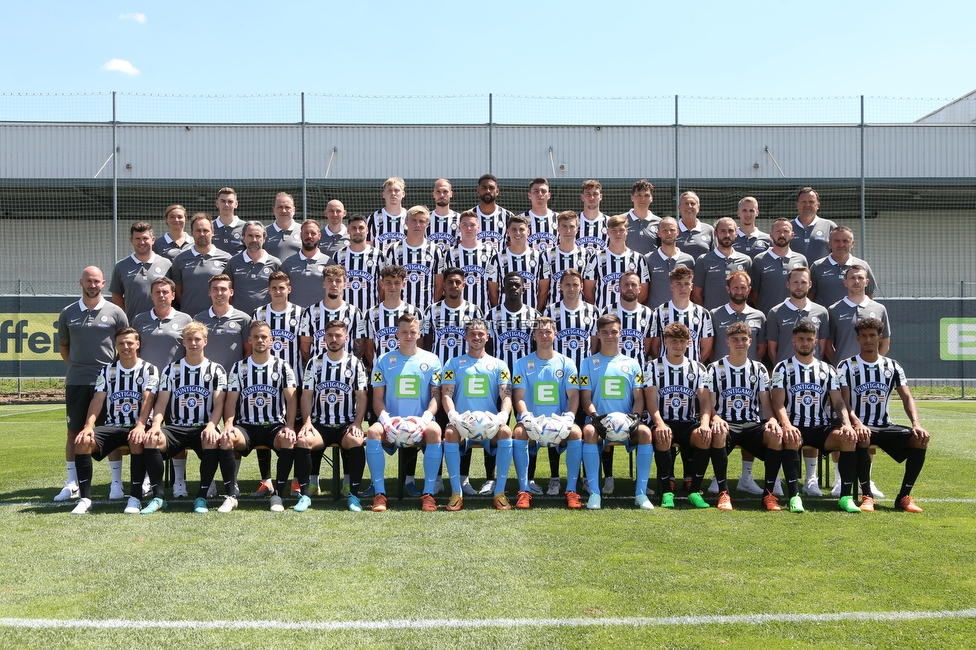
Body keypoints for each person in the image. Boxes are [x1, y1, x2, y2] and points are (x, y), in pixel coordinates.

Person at [836, 318, 929, 513]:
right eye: (863, 336)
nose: (868, 339)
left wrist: (916, 424)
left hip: (885, 425)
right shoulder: (846, 366)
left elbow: (907, 397)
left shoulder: (893, 366)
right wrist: (856, 422)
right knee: (863, 435)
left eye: (872, 335)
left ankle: (904, 496)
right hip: (860, 425)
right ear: (858, 338)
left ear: (880, 337)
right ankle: (867, 495)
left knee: (920, 439)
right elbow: (844, 401)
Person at [770, 320, 862, 513]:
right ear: (794, 341)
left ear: (816, 341)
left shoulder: (828, 370)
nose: (805, 343)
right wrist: (786, 425)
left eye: (809, 339)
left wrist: (846, 424)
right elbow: (777, 402)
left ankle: (845, 496)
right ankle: (794, 496)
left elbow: (838, 402)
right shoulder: (782, 368)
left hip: (821, 427)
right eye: (801, 339)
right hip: (795, 425)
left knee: (848, 438)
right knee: (791, 438)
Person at [141, 321, 233, 515]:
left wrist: (211, 426)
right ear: (183, 342)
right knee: (151, 441)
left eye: (197, 339)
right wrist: (156, 425)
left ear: (205, 341)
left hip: (203, 426)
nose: (193, 343)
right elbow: (161, 403)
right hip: (176, 427)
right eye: (189, 339)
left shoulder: (217, 370)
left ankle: (201, 496)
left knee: (211, 440)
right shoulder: (170, 370)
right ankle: (158, 498)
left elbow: (219, 405)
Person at [55, 266, 129, 502]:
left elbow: (124, 347)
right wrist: (78, 368)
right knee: (74, 431)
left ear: (104, 283)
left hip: (108, 384)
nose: (92, 285)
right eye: (88, 281)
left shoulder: (116, 312)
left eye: (96, 281)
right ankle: (72, 483)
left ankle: (116, 484)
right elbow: (64, 348)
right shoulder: (67, 312)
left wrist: (108, 374)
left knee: (110, 432)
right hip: (77, 382)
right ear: (81, 282)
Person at [69, 327, 159, 514]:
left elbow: (148, 398)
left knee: (136, 439)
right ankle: (85, 499)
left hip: (138, 425)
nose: (125, 347)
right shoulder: (107, 371)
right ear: (116, 346)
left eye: (129, 343)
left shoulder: (149, 369)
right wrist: (88, 426)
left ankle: (135, 498)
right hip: (112, 425)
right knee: (83, 441)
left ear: (137, 344)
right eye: (121, 343)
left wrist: (141, 425)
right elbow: (98, 399)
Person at [364, 313, 443, 512]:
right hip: (392, 421)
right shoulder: (383, 360)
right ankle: (380, 494)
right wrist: (386, 421)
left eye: (413, 332)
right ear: (397, 334)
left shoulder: (432, 359)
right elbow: (377, 398)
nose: (408, 336)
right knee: (373, 432)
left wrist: (425, 420)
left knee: (435, 431)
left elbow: (436, 396)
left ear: (419, 333)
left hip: (420, 422)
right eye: (404, 332)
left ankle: (428, 494)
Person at [221, 321, 300, 513]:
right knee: (226, 440)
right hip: (246, 426)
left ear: (271, 340)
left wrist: (290, 426)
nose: (260, 340)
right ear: (249, 340)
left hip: (274, 426)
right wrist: (229, 424)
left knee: (288, 440)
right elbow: (231, 401)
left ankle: (278, 495)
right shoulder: (239, 367)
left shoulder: (283, 367)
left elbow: (291, 400)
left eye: (264, 336)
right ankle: (231, 496)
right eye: (256, 336)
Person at [702, 323, 782, 510]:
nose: (740, 343)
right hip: (726, 423)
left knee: (776, 435)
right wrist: (715, 418)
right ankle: (723, 493)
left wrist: (771, 420)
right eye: (735, 339)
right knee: (719, 432)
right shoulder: (714, 368)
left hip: (751, 424)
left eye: (743, 339)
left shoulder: (759, 369)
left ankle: (769, 494)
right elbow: (709, 404)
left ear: (750, 341)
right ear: (727, 342)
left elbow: (766, 403)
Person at [578, 314, 655, 510]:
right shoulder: (588, 363)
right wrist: (595, 417)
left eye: (614, 332)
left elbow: (639, 397)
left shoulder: (633, 363)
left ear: (620, 333)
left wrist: (635, 418)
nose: (609, 336)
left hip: (627, 422)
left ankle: (641, 494)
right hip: (599, 422)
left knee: (646, 432)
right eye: (605, 332)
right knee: (587, 432)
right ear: (598, 334)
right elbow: (585, 397)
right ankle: (595, 493)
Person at [441, 319, 514, 510]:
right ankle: (456, 492)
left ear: (487, 337)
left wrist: (502, 417)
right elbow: (446, 394)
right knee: (449, 433)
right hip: (462, 422)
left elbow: (506, 395)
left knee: (506, 432)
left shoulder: (499, 364)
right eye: (472, 333)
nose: (477, 337)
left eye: (481, 334)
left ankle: (500, 492)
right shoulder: (453, 363)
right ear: (466, 337)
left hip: (489, 424)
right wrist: (453, 417)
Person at [512, 317, 584, 509]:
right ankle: (524, 490)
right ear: (534, 336)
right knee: (519, 432)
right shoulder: (521, 363)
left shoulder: (567, 363)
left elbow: (574, 395)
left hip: (558, 420)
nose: (544, 335)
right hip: (532, 421)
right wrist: (525, 416)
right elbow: (518, 395)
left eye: (548, 332)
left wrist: (569, 417)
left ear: (555, 334)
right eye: (540, 332)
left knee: (576, 432)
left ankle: (571, 490)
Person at [297, 320, 369, 512]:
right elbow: (306, 395)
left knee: (356, 440)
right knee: (303, 440)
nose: (334, 339)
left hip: (345, 424)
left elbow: (361, 396)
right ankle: (305, 495)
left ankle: (353, 495)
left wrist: (357, 423)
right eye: (330, 335)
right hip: (320, 425)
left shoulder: (355, 363)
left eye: (338, 336)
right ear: (324, 338)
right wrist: (306, 422)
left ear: (346, 338)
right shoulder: (314, 363)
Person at [543, 268, 599, 495]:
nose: (571, 288)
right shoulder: (551, 311)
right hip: (558, 375)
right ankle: (555, 477)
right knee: (554, 421)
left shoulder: (592, 311)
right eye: (567, 285)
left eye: (575, 285)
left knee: (585, 425)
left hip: (584, 375)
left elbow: (594, 345)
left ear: (581, 286)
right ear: (560, 287)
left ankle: (585, 477)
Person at [644, 322, 711, 509]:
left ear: (688, 343)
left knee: (705, 437)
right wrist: (659, 423)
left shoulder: (698, 368)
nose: (678, 345)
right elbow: (650, 400)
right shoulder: (652, 367)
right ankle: (667, 491)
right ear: (665, 342)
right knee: (662, 435)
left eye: (682, 341)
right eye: (674, 341)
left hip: (688, 422)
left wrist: (704, 423)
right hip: (663, 421)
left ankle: (695, 491)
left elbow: (705, 401)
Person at [486, 272, 542, 494]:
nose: (513, 288)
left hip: (525, 380)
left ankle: (529, 478)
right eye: (509, 285)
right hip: (497, 379)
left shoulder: (534, 314)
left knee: (529, 427)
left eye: (517, 285)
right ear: (503, 288)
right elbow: (488, 348)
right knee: (492, 427)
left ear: (524, 288)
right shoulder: (493, 314)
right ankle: (490, 477)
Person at [299, 265, 366, 363]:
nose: (334, 284)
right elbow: (305, 347)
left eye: (338, 281)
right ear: (323, 284)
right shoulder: (310, 312)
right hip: (319, 369)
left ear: (344, 284)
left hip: (346, 369)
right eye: (329, 280)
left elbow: (359, 347)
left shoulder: (355, 312)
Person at [170, 213, 232, 319]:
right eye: (198, 231)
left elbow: (230, 291)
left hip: (218, 318)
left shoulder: (226, 259)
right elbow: (178, 292)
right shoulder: (180, 259)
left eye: (206, 230)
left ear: (212, 232)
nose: (202, 234)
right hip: (189, 318)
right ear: (192, 233)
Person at [384, 205, 445, 315]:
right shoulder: (394, 249)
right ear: (406, 222)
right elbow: (387, 282)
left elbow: (439, 285)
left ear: (427, 224)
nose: (417, 225)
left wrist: (429, 308)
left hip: (426, 311)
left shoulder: (436, 250)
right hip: (400, 312)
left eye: (422, 221)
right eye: (413, 220)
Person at [583, 214, 650, 311]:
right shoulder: (596, 258)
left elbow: (643, 292)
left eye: (621, 230)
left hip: (630, 315)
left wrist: (630, 309)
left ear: (626, 231)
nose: (617, 234)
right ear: (608, 232)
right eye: (613, 230)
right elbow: (587, 290)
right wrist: (599, 310)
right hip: (604, 317)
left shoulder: (639, 258)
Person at [826, 265, 890, 364]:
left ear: (867, 282)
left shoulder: (879, 309)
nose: (856, 281)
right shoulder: (833, 310)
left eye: (860, 278)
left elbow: (885, 343)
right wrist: (841, 365)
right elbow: (827, 345)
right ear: (845, 282)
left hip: (871, 371)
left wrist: (875, 364)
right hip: (844, 374)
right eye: (852, 278)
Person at [130, 277, 194, 377]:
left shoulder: (186, 320)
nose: (161, 295)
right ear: (151, 296)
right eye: (157, 292)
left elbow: (191, 350)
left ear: (173, 295)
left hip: (176, 378)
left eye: (165, 292)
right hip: (147, 378)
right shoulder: (139, 320)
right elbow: (134, 351)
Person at [110, 221, 173, 321]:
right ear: (131, 240)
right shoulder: (121, 266)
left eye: (145, 238)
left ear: (153, 240)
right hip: (133, 326)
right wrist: (128, 316)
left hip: (161, 323)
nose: (142, 242)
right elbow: (116, 296)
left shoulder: (166, 264)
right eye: (137, 238)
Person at [649, 266, 713, 363]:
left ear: (691, 286)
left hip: (692, 373)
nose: (683, 288)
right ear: (671, 286)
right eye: (678, 284)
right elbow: (655, 347)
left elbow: (706, 349)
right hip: (666, 371)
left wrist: (693, 365)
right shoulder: (660, 312)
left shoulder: (703, 313)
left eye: (686, 284)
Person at [765, 267, 829, 364]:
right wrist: (783, 369)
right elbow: (771, 349)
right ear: (788, 284)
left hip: (813, 373)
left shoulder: (821, 312)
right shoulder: (775, 312)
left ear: (810, 284)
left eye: (803, 282)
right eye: (795, 282)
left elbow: (822, 348)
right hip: (786, 373)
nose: (799, 286)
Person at [193, 274, 252, 374]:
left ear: (231, 292)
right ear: (209, 292)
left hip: (234, 377)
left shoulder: (244, 319)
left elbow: (248, 350)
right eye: (215, 289)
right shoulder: (198, 319)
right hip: (206, 376)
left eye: (223, 289)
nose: (219, 293)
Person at [363, 264, 421, 366]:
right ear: (382, 284)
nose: (392, 287)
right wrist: (380, 366)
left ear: (403, 285)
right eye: (388, 282)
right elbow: (368, 348)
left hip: (408, 369)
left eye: (397, 283)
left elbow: (420, 345)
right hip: (381, 372)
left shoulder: (415, 312)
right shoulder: (370, 313)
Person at [749, 218, 809, 317]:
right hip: (768, 317)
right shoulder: (759, 260)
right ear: (771, 235)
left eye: (786, 231)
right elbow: (754, 291)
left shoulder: (801, 259)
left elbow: (806, 289)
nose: (782, 235)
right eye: (778, 231)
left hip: (796, 317)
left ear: (792, 235)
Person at [329, 214, 385, 315]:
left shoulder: (378, 255)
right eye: (354, 228)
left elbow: (382, 286)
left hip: (370, 314)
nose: (357, 231)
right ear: (348, 230)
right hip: (344, 314)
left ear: (367, 230)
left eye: (361, 228)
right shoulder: (338, 255)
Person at [809, 226, 879, 308]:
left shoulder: (863, 266)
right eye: (837, 241)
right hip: (825, 319)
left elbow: (869, 295)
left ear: (852, 244)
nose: (841, 245)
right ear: (830, 244)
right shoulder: (817, 266)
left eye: (845, 241)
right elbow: (810, 297)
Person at [443, 210, 498, 312]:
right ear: (459, 228)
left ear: (478, 227)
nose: (468, 228)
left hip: (484, 311)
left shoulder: (491, 252)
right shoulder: (450, 253)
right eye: (465, 225)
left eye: (472, 225)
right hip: (458, 311)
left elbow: (494, 285)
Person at [489, 214, 546, 312]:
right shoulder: (496, 258)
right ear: (508, 232)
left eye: (521, 229)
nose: (518, 233)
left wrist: (536, 312)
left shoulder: (540, 257)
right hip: (504, 315)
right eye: (514, 229)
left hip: (531, 316)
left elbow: (543, 291)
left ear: (528, 232)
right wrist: (500, 311)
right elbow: (492, 292)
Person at [692, 217, 752, 310]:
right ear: (715, 233)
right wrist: (706, 315)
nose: (727, 235)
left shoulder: (746, 260)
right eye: (723, 231)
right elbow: (696, 294)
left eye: (731, 231)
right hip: (712, 319)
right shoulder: (703, 260)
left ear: (736, 233)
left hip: (738, 320)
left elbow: (749, 293)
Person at [225, 221, 282, 316]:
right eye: (250, 236)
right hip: (240, 318)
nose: (254, 240)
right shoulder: (233, 262)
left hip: (267, 317)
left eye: (258, 236)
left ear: (264, 238)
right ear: (243, 238)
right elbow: (228, 292)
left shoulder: (275, 263)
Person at [710, 271, 766, 362]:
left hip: (749, 373)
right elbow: (709, 348)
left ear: (749, 289)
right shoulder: (714, 315)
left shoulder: (759, 316)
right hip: (722, 372)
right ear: (728, 289)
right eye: (735, 288)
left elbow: (761, 348)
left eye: (743, 288)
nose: (739, 292)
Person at [538, 211, 590, 309]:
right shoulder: (546, 255)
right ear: (558, 229)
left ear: (577, 229)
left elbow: (588, 289)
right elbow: (543, 290)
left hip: (580, 311)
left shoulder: (587, 255)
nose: (568, 231)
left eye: (571, 227)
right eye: (564, 226)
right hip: (553, 311)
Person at [644, 216, 695, 309]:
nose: (669, 233)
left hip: (681, 314)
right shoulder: (648, 259)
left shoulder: (688, 260)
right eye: (664, 230)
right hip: (657, 316)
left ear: (678, 232)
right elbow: (643, 292)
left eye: (672, 230)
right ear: (658, 233)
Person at [280, 219, 330, 308]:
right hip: (294, 316)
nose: (309, 236)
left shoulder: (329, 262)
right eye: (306, 233)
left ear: (319, 236)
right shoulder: (288, 263)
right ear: (301, 235)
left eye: (313, 233)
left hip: (320, 315)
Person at [790, 187, 836, 263]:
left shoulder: (829, 226)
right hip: (795, 274)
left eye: (811, 202)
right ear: (797, 205)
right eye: (803, 202)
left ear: (818, 205)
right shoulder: (787, 227)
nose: (807, 205)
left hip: (822, 274)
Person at [472, 173, 513, 252]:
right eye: (484, 188)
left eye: (491, 188)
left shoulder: (508, 216)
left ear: (497, 191)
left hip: (500, 263)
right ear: (478, 191)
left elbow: (512, 245)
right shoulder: (469, 215)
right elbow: (462, 243)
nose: (488, 191)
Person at [367, 177, 407, 253]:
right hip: (381, 263)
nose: (393, 194)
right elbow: (368, 245)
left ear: (403, 194)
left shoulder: (410, 217)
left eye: (396, 190)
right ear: (383, 194)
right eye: (389, 191)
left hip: (403, 263)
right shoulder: (373, 218)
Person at [520, 177, 558, 254]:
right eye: (536, 191)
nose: (540, 194)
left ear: (549, 195)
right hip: (529, 264)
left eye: (543, 191)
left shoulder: (558, 218)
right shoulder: (521, 219)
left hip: (553, 264)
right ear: (529, 195)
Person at [675, 191, 714, 261]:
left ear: (698, 207)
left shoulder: (709, 230)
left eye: (692, 203)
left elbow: (715, 255)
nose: (689, 206)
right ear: (679, 208)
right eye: (686, 203)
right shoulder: (672, 230)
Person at [263, 192, 302, 261]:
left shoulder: (303, 231)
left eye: (287, 207)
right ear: (273, 210)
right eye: (280, 207)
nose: (283, 211)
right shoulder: (263, 232)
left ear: (294, 210)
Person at [625, 179, 660, 255]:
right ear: (632, 198)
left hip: (651, 266)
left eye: (646, 195)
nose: (642, 199)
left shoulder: (660, 223)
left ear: (651, 198)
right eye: (639, 195)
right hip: (627, 265)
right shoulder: (621, 220)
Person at [577, 179, 608, 256]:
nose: (592, 198)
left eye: (595, 194)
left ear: (600, 197)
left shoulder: (609, 222)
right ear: (582, 197)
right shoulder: (573, 222)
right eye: (588, 194)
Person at [428, 178, 459, 253]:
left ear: (451, 194)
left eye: (445, 192)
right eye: (438, 192)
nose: (442, 195)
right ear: (433, 194)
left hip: (452, 264)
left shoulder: (460, 219)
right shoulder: (425, 219)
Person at [211, 187, 245, 255]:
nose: (226, 205)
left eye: (230, 201)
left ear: (236, 204)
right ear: (217, 203)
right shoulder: (208, 226)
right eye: (223, 201)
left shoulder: (246, 227)